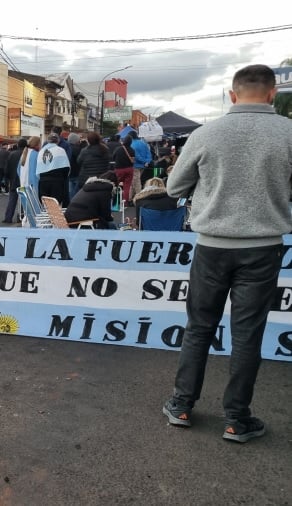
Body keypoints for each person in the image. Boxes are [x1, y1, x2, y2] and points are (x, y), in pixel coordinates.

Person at [162, 64, 292, 443]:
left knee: (199, 328)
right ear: (272, 94)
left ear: (233, 95)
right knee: (248, 334)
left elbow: (174, 187)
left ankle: (182, 405)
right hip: (263, 248)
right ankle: (237, 419)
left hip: (212, 248)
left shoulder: (206, 133)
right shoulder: (288, 132)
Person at [36, 133, 71, 207]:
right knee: (55, 205)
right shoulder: (60, 150)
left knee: (46, 205)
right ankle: (54, 218)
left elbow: (38, 167)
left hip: (43, 181)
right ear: (58, 141)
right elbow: (66, 167)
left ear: (48, 141)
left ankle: (47, 217)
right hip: (57, 182)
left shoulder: (41, 151)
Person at [2, 139, 26, 224]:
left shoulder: (12, 154)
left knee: (12, 200)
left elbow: (7, 169)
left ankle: (8, 217)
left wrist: (8, 178)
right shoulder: (26, 154)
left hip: (13, 180)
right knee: (23, 199)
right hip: (23, 180)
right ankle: (22, 216)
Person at [129, 130, 152, 200]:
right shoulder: (143, 143)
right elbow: (149, 153)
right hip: (143, 166)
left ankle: (139, 197)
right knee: (134, 181)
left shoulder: (132, 144)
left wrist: (143, 161)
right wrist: (147, 161)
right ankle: (130, 198)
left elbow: (136, 156)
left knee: (136, 182)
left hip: (135, 165)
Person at [112, 136, 135, 204]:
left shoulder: (118, 149)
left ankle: (115, 201)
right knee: (127, 186)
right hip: (129, 169)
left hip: (119, 169)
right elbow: (133, 160)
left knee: (115, 184)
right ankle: (125, 202)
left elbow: (113, 157)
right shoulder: (132, 150)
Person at [67, 133, 83, 202]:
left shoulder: (66, 148)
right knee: (77, 192)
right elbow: (81, 160)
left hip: (69, 173)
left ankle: (71, 205)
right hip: (77, 172)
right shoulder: (78, 149)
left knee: (70, 192)